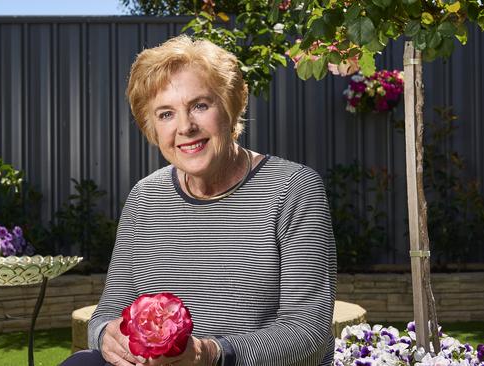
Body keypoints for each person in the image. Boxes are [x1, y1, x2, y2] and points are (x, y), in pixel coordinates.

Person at [61, 35, 336, 366]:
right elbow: (107, 312)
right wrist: (108, 336)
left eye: (200, 106)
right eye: (165, 114)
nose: (185, 127)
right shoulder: (145, 197)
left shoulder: (293, 189)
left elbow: (308, 331)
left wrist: (212, 354)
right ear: (151, 128)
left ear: (231, 107)